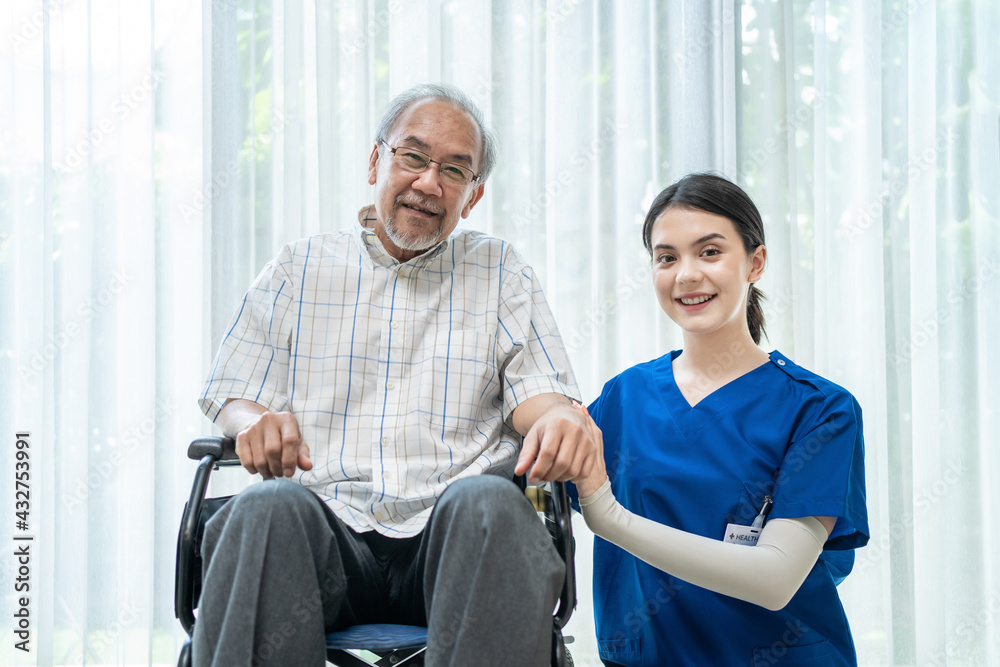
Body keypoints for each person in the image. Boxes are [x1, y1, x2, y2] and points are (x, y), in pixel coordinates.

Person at [193, 83, 596, 667]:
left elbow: (539, 395)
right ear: (376, 160)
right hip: (323, 541)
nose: (430, 182)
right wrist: (253, 422)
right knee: (263, 510)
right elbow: (235, 395)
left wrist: (561, 418)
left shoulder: (501, 271)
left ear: (473, 196)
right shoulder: (297, 267)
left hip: (453, 545)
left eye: (455, 170)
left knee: (493, 504)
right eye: (413, 156)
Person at [569, 173, 869, 666]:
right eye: (667, 257)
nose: (686, 274)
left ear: (755, 262)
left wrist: (612, 519)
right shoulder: (624, 397)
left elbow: (774, 579)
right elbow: (540, 498)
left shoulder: (820, 410)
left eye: (709, 252)